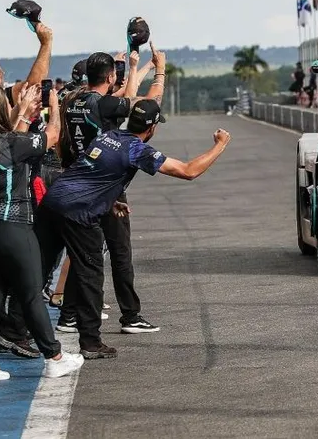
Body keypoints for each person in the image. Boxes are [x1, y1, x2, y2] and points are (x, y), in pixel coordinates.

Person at [38, 100, 229, 358]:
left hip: (52, 201)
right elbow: (188, 171)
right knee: (90, 276)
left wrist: (109, 200)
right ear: (151, 129)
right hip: (78, 213)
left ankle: (13, 331)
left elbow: (91, 174)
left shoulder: (107, 137)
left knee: (37, 271)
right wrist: (220, 145)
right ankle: (91, 343)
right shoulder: (136, 149)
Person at [0, 83, 83, 382]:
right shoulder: (13, 142)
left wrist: (22, 110)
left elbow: (4, 134)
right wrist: (54, 106)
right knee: (30, 294)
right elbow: (52, 136)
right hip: (9, 224)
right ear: (2, 109)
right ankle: (54, 357)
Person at [54, 46, 165, 339]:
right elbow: (136, 102)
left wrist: (134, 66)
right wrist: (157, 71)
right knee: (119, 252)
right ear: (110, 76)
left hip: (74, 180)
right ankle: (130, 314)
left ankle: (68, 313)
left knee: (84, 254)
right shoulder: (102, 105)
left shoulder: (71, 100)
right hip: (103, 183)